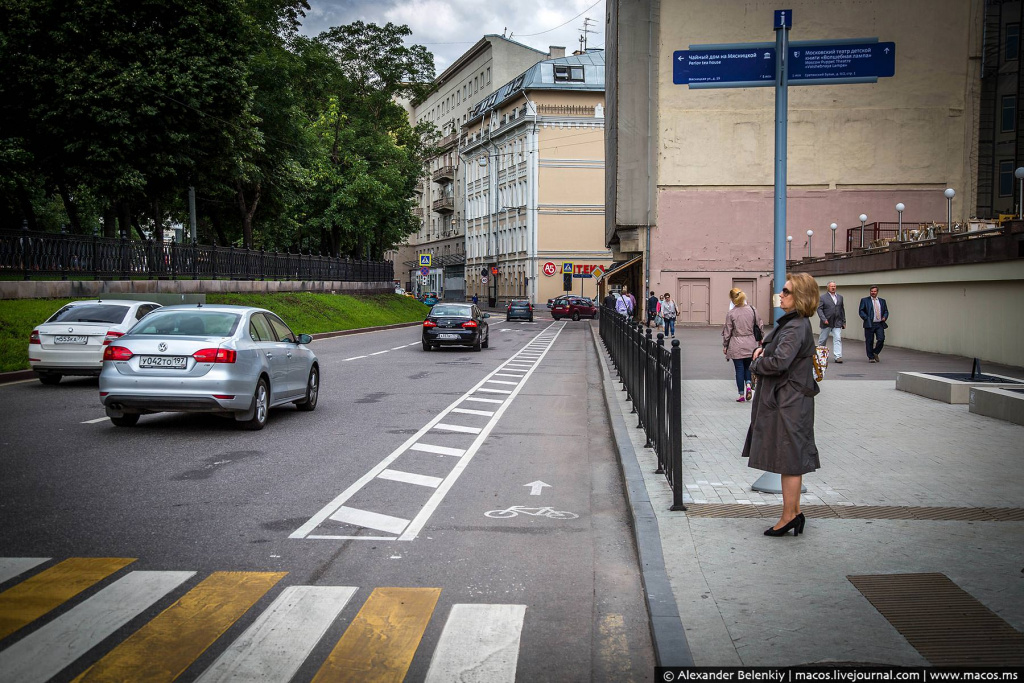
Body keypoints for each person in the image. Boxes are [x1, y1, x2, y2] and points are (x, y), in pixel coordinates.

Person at [742, 272, 821, 537]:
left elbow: (779, 362)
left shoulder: (796, 326)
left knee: (790, 460)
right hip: (790, 400)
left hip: (789, 402)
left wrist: (756, 362)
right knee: (791, 458)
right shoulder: (793, 323)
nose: (782, 295)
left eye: (786, 292)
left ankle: (789, 516)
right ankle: (794, 513)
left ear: (799, 297)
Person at [722, 289, 763, 402]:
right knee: (748, 367)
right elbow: (760, 325)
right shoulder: (752, 310)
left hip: (736, 344)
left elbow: (727, 331)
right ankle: (749, 384)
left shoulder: (731, 313)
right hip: (750, 342)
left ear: (732, 299)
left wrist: (725, 345)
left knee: (739, 369)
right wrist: (761, 340)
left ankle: (741, 394)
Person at [816, 280, 845, 363]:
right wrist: (823, 319)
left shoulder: (840, 297)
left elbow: (842, 310)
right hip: (827, 322)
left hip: (837, 322)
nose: (833, 288)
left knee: (837, 338)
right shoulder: (823, 298)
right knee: (823, 339)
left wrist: (843, 321)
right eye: (831, 286)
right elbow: (819, 309)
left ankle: (838, 356)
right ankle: (820, 355)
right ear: (827, 287)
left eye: (834, 286)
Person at [858, 285, 889, 363]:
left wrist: (884, 317)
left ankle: (875, 352)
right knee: (869, 341)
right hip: (869, 323)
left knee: (881, 339)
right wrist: (866, 318)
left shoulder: (882, 301)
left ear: (877, 292)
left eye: (875, 291)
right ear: (870, 292)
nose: (873, 293)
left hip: (879, 324)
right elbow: (861, 311)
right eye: (872, 291)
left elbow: (886, 311)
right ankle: (871, 357)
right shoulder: (865, 300)